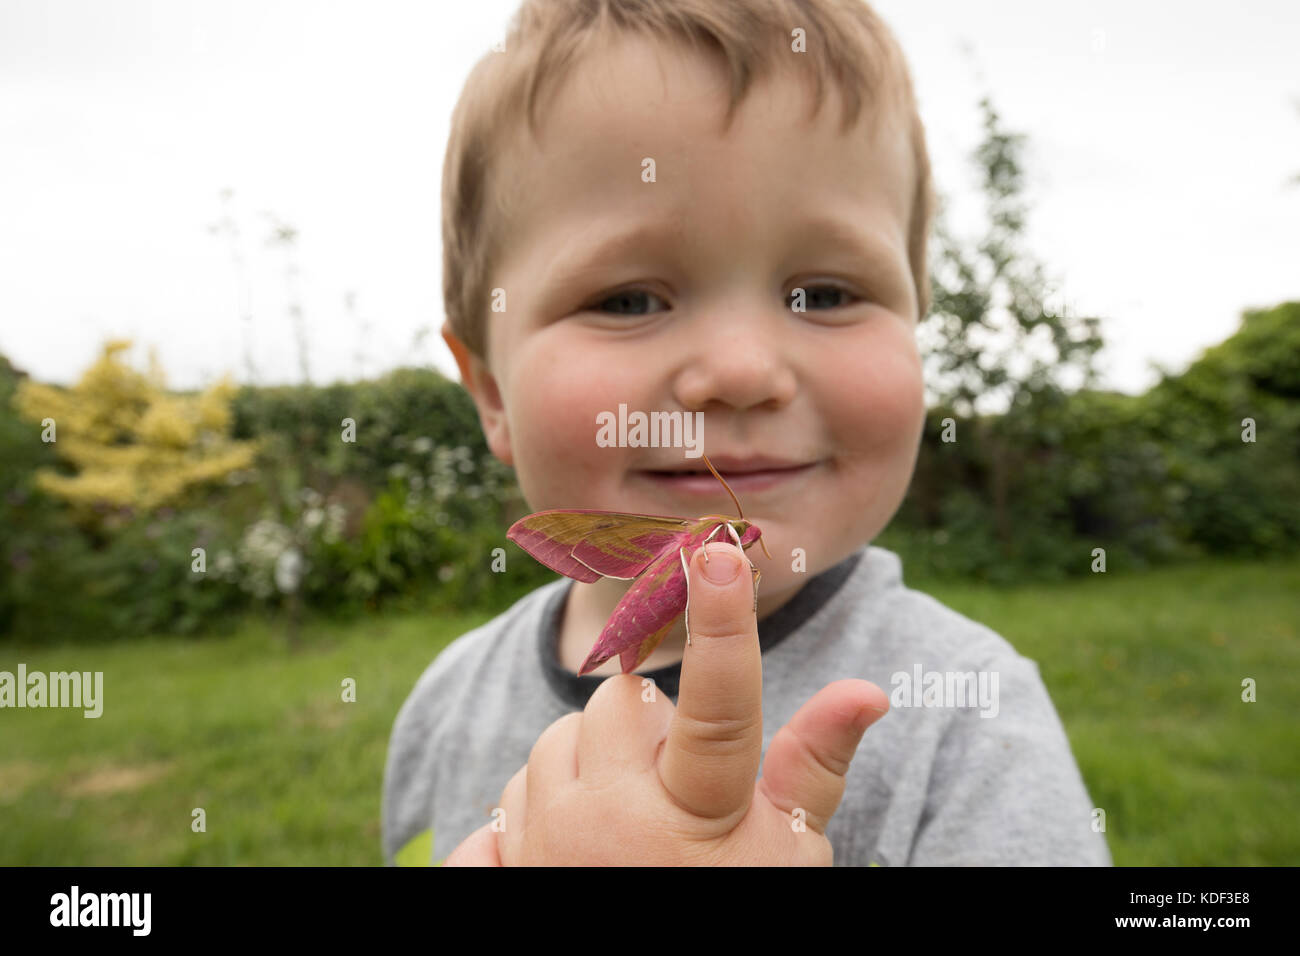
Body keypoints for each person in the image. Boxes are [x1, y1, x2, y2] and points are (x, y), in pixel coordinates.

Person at [383, 0, 1111, 866]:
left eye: (828, 294)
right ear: (492, 395)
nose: (740, 371)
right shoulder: (444, 701)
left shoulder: (969, 715)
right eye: (626, 301)